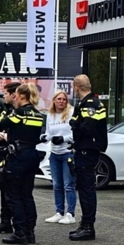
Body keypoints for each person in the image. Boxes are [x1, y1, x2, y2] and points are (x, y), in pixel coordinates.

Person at [0, 82, 44, 245]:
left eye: (15, 94)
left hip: (18, 156)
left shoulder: (19, 113)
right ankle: (30, 231)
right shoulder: (37, 114)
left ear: (22, 96)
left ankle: (20, 232)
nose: (14, 97)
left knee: (14, 195)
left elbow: (0, 125)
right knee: (27, 195)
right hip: (32, 156)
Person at [69, 75, 108, 241]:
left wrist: (75, 125)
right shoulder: (87, 103)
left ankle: (88, 226)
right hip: (84, 150)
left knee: (86, 190)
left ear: (77, 87)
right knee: (84, 189)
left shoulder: (91, 104)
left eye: (74, 88)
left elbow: (87, 127)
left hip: (87, 150)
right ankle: (85, 223)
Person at [0, 81, 21, 235]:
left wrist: (11, 137)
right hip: (3, 154)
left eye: (6, 93)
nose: (3, 96)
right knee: (4, 189)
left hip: (17, 155)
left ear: (14, 95)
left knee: (16, 192)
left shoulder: (22, 111)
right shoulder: (5, 111)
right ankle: (5, 222)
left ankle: (20, 224)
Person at [43, 90, 77, 225]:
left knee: (69, 185)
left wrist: (64, 138)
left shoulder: (71, 113)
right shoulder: (50, 115)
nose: (61, 101)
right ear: (54, 101)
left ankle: (70, 214)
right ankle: (59, 212)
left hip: (68, 153)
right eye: (59, 99)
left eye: (64, 99)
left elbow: (75, 134)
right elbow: (48, 133)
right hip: (54, 153)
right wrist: (44, 138)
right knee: (57, 185)